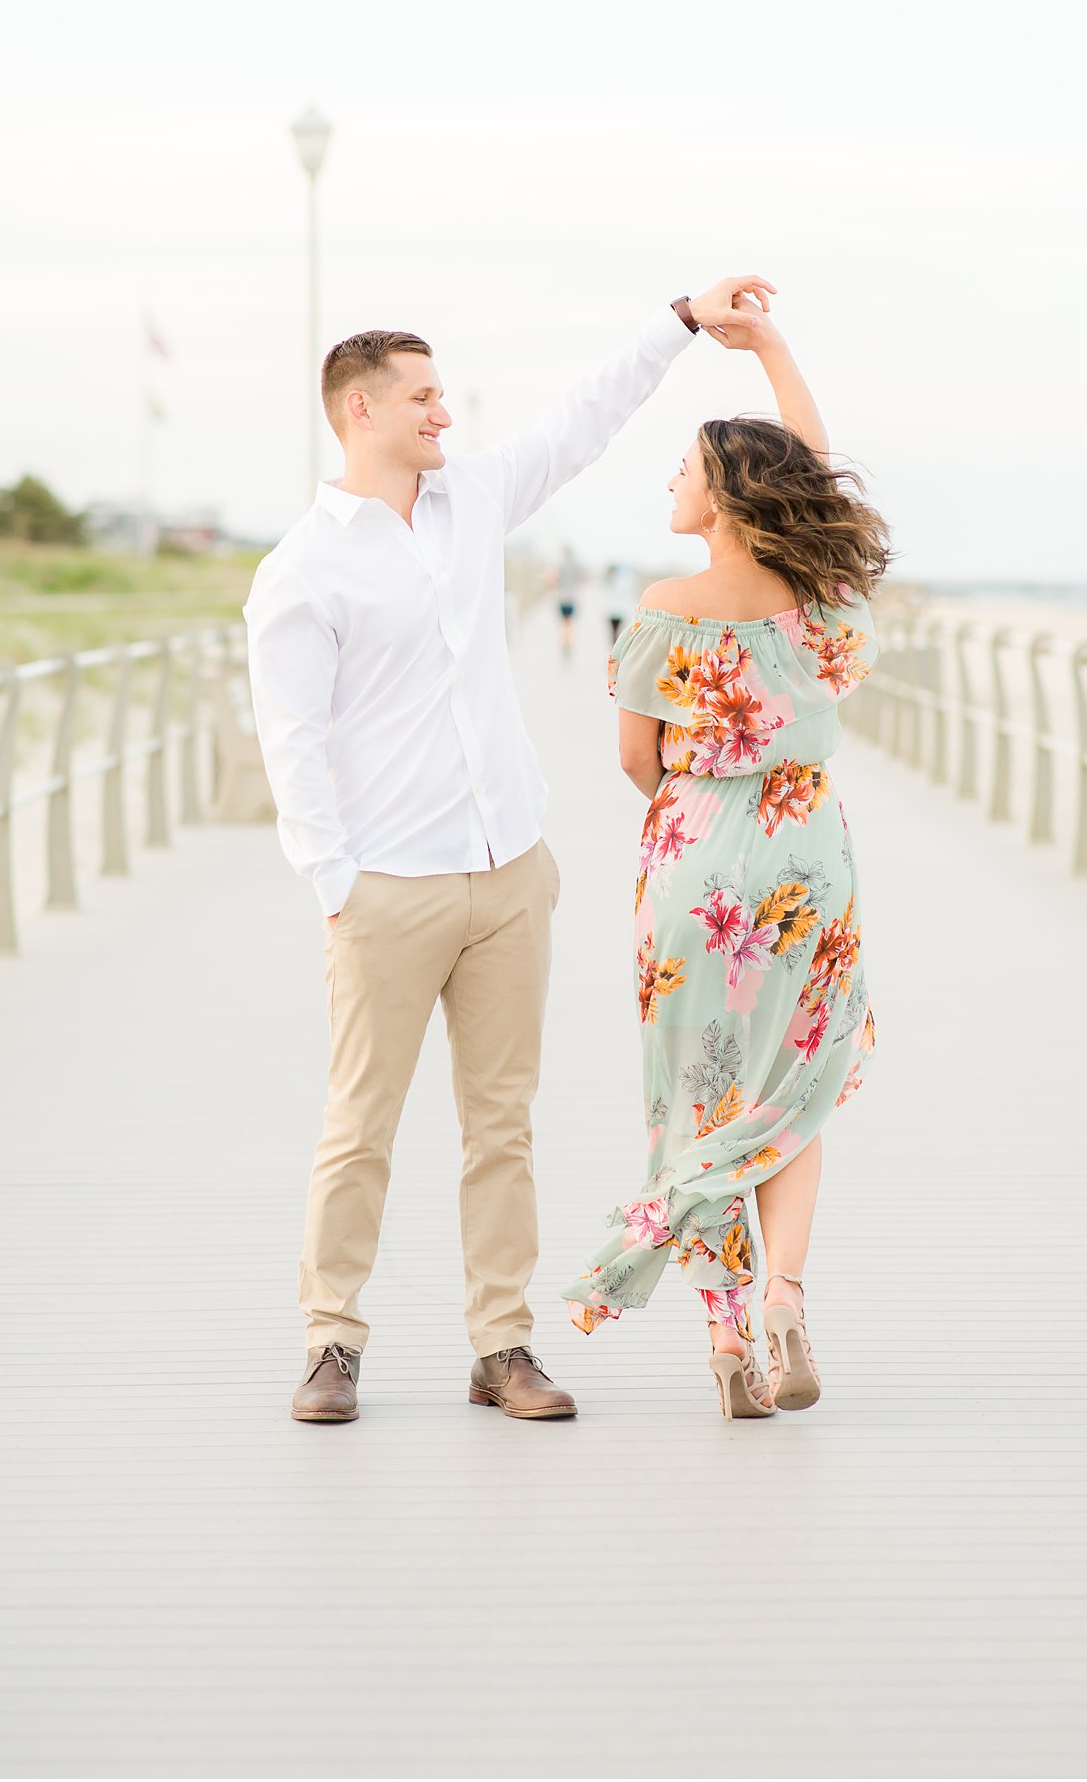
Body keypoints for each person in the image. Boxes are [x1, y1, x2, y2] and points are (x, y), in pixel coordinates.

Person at [243, 277, 776, 1426]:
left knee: (502, 1125)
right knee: (359, 1126)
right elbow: (290, 742)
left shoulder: (472, 501)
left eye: (443, 394)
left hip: (506, 873)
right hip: (384, 884)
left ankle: (502, 1347)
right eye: (422, 398)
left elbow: (582, 420)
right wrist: (334, 882)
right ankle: (331, 1341)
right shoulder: (301, 568)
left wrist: (679, 318)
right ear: (358, 412)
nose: (444, 414)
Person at [561, 303, 891, 1420]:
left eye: (684, 471)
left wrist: (700, 820)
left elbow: (633, 760)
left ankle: (726, 1345)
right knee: (790, 1097)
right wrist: (774, 356)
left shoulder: (663, 610)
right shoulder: (823, 600)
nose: (668, 484)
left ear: (724, 497)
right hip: (806, 850)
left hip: (697, 860)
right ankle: (787, 1300)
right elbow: (821, 484)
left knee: (699, 1101)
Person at [553, 547, 586, 658]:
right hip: (572, 598)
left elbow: (555, 579)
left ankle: (564, 642)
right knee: (570, 623)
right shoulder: (576, 566)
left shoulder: (560, 566)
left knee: (563, 623)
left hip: (562, 598)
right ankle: (569, 643)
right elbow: (582, 578)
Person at [602, 559, 637, 647]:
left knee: (614, 630)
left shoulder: (610, 580)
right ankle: (616, 647)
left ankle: (613, 648)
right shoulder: (624, 582)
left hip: (612, 611)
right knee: (619, 631)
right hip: (620, 610)